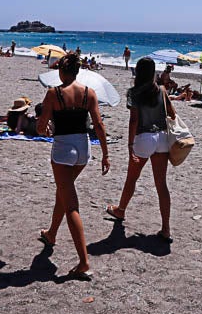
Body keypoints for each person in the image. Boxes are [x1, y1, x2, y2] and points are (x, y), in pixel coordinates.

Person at [36, 53, 109, 279]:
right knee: (64, 191)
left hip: (63, 149)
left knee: (72, 206)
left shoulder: (53, 93)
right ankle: (51, 233)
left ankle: (84, 261)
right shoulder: (89, 93)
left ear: (61, 71)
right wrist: (106, 154)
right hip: (84, 149)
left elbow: (40, 127)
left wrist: (45, 128)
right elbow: (98, 125)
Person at [106, 57, 175, 242]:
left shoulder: (134, 92)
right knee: (161, 184)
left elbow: (133, 120)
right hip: (161, 138)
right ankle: (166, 228)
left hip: (144, 137)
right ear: (153, 72)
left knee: (132, 178)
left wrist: (130, 145)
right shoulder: (161, 90)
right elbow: (173, 114)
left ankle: (120, 210)